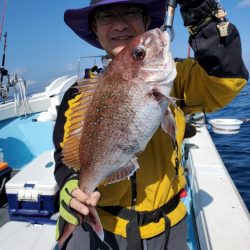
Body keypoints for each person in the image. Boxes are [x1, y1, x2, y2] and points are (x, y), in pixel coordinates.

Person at [53, 0, 249, 249]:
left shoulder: (178, 78)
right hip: (101, 227)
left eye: (131, 11)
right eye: (107, 16)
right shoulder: (76, 94)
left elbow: (227, 78)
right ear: (94, 28)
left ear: (146, 21)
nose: (120, 24)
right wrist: (71, 183)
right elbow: (64, 154)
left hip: (168, 230)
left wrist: (202, 14)